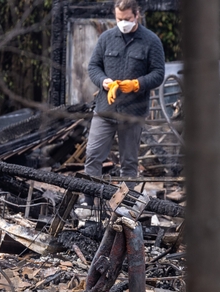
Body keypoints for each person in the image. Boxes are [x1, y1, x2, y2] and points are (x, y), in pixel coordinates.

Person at [83, 0, 165, 205]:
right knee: (93, 156)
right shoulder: (106, 38)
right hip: (105, 110)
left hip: (133, 112)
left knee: (129, 162)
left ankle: (126, 205)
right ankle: (88, 202)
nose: (123, 23)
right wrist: (104, 82)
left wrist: (137, 84)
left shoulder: (151, 41)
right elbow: (93, 66)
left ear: (137, 15)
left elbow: (158, 74)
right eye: (119, 19)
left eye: (127, 19)